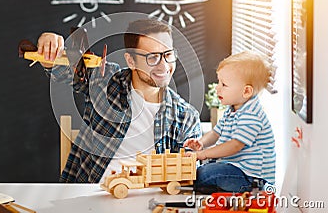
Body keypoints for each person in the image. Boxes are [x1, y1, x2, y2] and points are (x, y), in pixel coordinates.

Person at [37, 19, 202, 183]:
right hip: (88, 193)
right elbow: (62, 71)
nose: (163, 66)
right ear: (131, 61)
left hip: (148, 200)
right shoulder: (106, 81)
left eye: (168, 54)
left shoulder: (186, 117)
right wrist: (48, 49)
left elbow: (187, 175)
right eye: (152, 57)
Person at [184, 51, 275, 193]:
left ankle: (197, 184)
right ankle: (204, 184)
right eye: (219, 82)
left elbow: (234, 146)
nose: (217, 87)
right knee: (206, 169)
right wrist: (201, 143)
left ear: (246, 91)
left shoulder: (252, 115)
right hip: (236, 168)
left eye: (224, 85)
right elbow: (216, 132)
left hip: (251, 179)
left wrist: (204, 154)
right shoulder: (233, 109)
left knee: (206, 173)